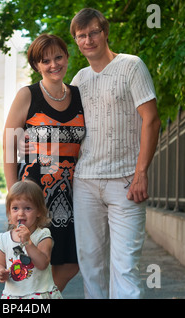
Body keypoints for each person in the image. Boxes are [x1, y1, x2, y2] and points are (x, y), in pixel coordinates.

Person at [69, 8, 161, 298]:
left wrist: (141, 173)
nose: (88, 39)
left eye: (93, 32)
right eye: (81, 36)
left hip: (125, 183)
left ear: (105, 32)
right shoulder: (78, 80)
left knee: (125, 267)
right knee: (91, 267)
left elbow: (152, 119)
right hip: (85, 182)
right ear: (76, 41)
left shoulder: (131, 66)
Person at [3, 34, 86, 291]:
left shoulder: (79, 95)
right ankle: (34, 299)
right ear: (36, 65)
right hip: (34, 194)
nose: (53, 65)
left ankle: (42, 297)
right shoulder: (27, 95)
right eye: (45, 60)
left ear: (67, 57)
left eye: (58, 57)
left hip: (72, 193)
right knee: (30, 261)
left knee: (73, 259)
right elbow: (8, 143)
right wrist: (12, 194)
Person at [0, 180, 62, 299]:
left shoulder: (42, 235)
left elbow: (42, 264)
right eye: (15, 208)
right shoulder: (3, 238)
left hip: (38, 294)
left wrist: (27, 242)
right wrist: (0, 272)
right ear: (9, 211)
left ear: (39, 211)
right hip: (13, 294)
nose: (21, 213)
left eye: (27, 208)